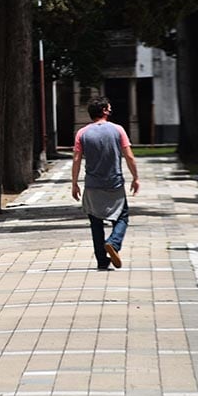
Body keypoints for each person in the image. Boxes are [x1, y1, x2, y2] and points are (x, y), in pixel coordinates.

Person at [71, 96, 140, 270]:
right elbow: (129, 156)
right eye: (108, 108)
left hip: (92, 184)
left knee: (95, 222)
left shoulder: (82, 133)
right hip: (114, 183)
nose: (110, 110)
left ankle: (102, 260)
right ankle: (114, 243)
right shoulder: (118, 130)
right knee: (122, 217)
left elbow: (77, 159)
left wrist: (74, 183)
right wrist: (135, 177)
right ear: (103, 110)